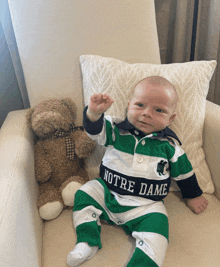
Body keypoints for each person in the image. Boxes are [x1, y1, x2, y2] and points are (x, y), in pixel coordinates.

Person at [67, 76, 209, 267]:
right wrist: (93, 113)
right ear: (128, 106)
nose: (147, 113)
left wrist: (193, 195)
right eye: (140, 105)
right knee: (84, 193)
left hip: (146, 206)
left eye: (159, 110)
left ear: (171, 118)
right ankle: (87, 241)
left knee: (159, 229)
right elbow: (94, 131)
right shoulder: (117, 130)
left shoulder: (169, 147)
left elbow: (184, 173)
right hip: (108, 194)